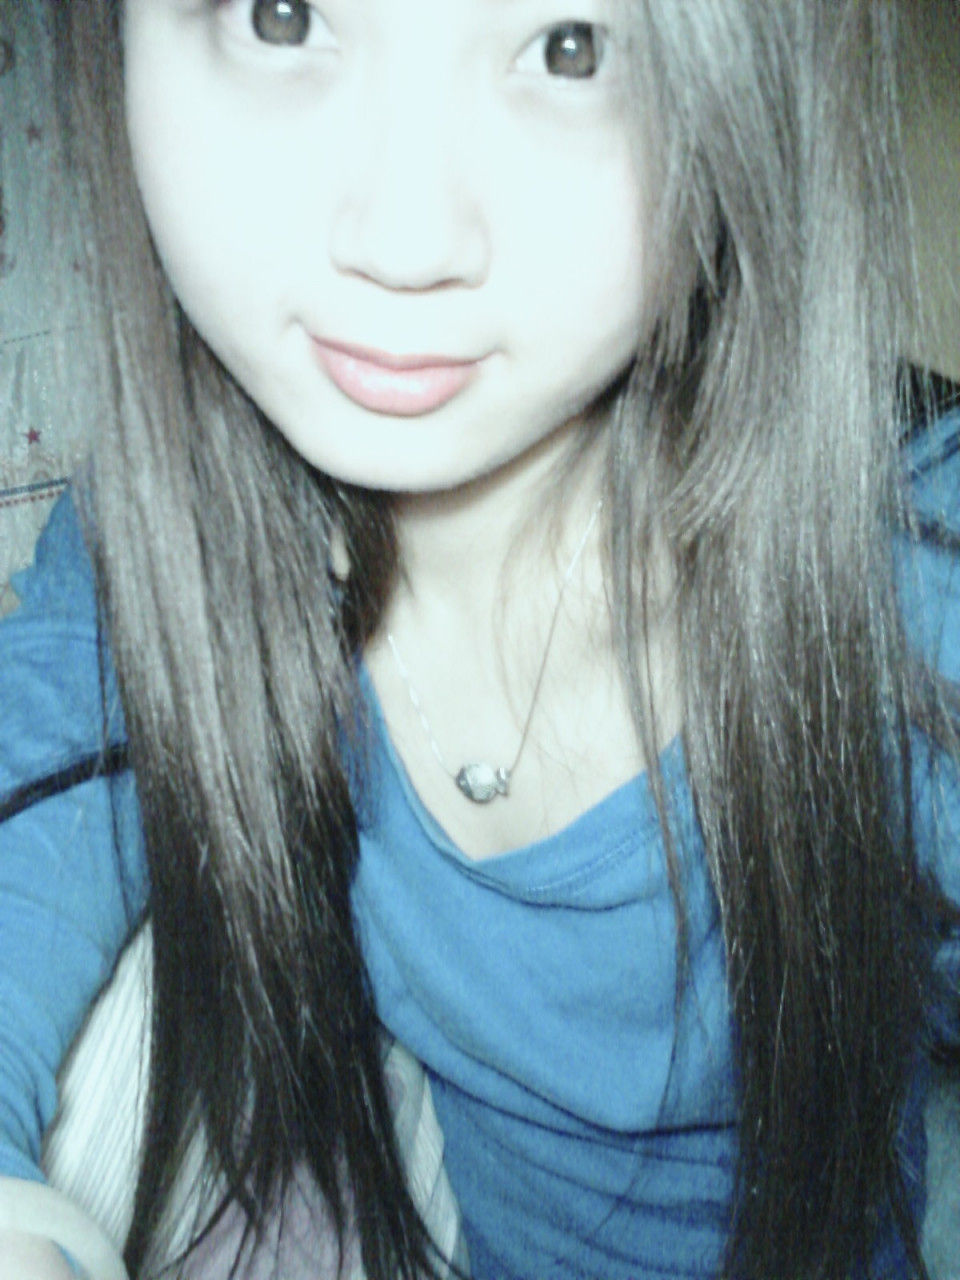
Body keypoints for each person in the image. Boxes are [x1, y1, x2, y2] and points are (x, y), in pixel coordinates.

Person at [1, 0, 959, 1277]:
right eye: (282, 17)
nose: (404, 241)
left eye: (572, 48)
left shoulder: (905, 572)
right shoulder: (178, 523)